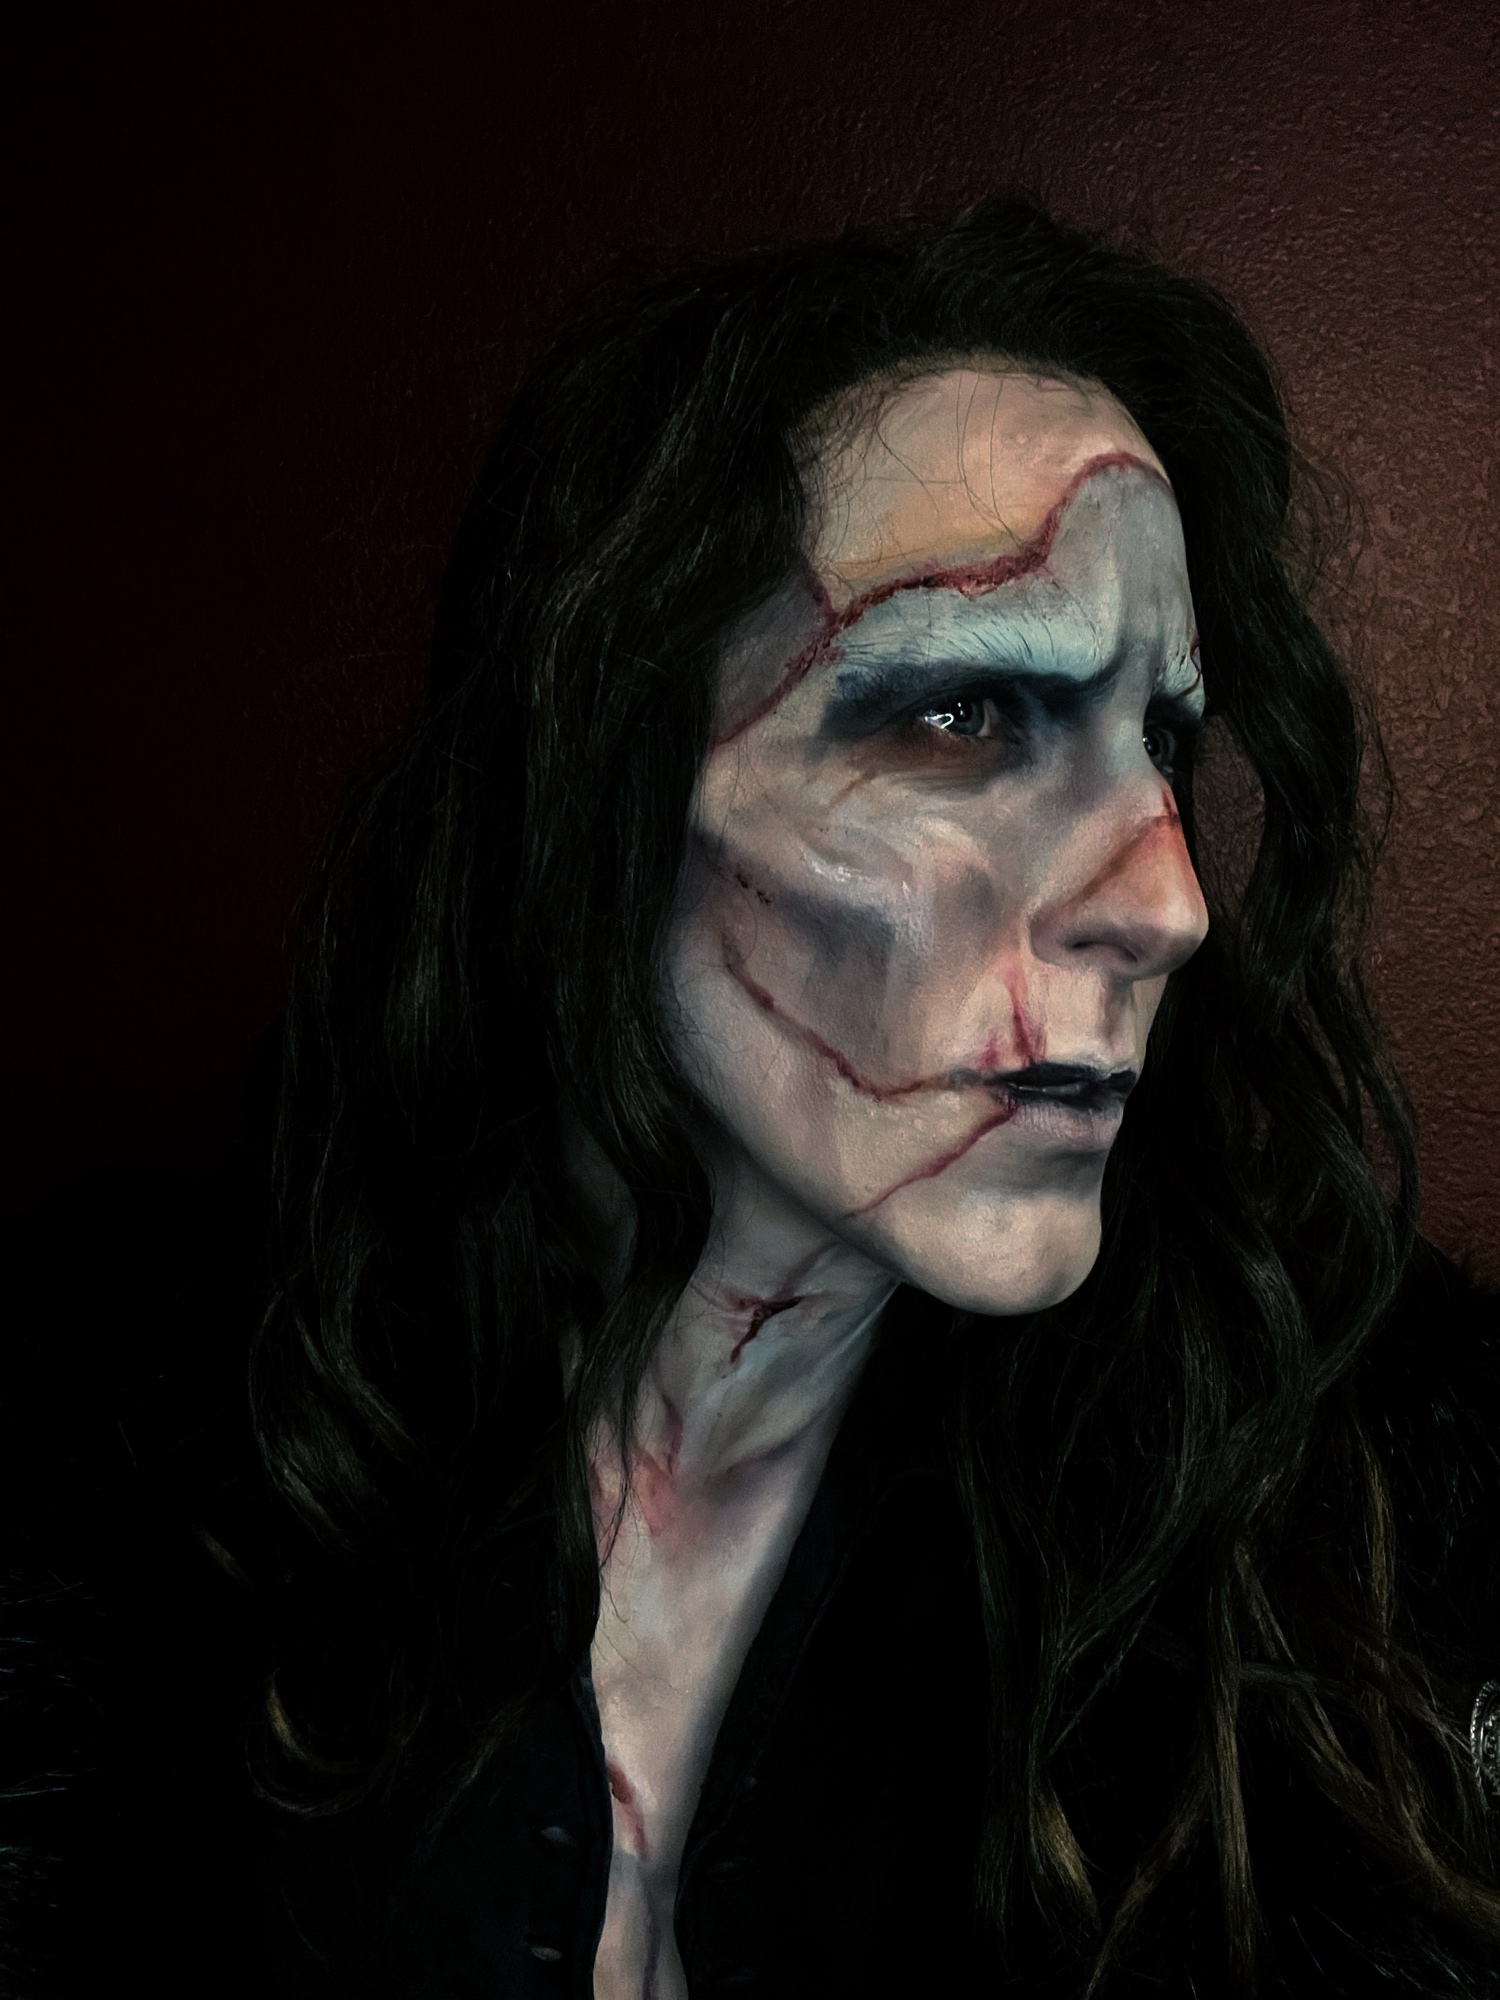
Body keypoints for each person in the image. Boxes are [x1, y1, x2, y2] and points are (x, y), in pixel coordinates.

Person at [5, 197, 1500, 1999]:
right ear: (602, 785)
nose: (1169, 901)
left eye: (1162, 741)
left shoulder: (1354, 1522)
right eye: (964, 717)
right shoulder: (111, 1479)